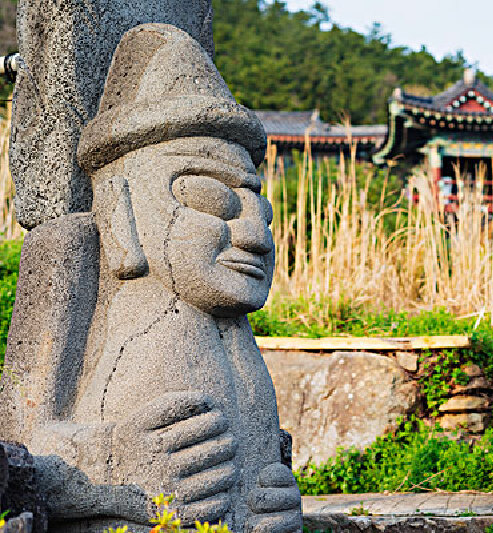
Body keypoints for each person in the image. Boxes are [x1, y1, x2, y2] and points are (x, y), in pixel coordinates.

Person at [5, 24, 301, 533]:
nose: (255, 237)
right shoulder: (71, 252)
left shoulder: (234, 330)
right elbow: (15, 451)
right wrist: (115, 462)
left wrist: (272, 510)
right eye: (211, 199)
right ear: (122, 205)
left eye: (263, 211)